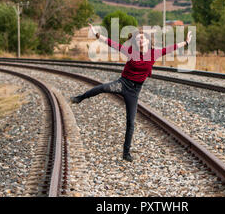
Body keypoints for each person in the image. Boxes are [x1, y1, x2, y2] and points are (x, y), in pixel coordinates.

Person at [70, 23, 192, 162]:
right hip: (122, 84)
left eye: (143, 38)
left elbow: (171, 48)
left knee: (131, 122)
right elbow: (113, 44)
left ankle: (126, 153)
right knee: (102, 88)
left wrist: (187, 42)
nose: (141, 40)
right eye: (138, 39)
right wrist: (97, 34)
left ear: (148, 41)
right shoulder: (131, 52)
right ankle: (79, 98)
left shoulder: (154, 53)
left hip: (134, 92)